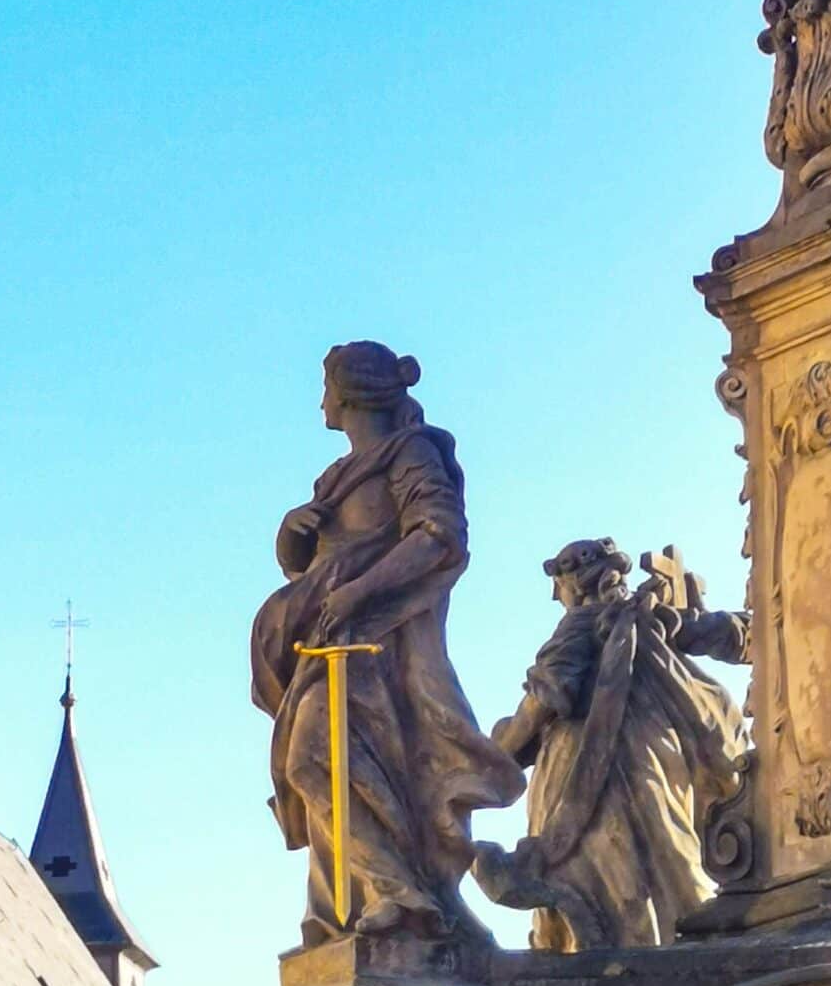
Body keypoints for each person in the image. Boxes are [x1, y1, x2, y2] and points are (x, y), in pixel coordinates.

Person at [251, 340, 523, 944]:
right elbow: (314, 565)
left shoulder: (411, 453)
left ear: (348, 392)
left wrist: (362, 592)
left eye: (325, 386)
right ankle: (361, 901)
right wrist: (292, 537)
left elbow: (437, 536)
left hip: (379, 648)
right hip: (330, 639)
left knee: (314, 760)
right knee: (327, 768)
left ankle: (401, 893)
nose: (321, 400)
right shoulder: (335, 477)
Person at [476, 538, 749, 950]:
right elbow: (726, 631)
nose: (557, 595)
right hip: (659, 755)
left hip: (591, 764)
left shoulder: (581, 623)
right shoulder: (652, 616)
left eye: (559, 584)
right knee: (670, 860)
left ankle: (620, 977)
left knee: (602, 876)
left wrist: (493, 757)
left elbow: (546, 699)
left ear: (573, 582)